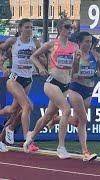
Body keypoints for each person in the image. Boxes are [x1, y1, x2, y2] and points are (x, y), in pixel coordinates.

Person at [23, 18, 79, 159]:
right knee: (66, 110)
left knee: (48, 116)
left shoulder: (74, 46)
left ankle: (30, 138)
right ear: (60, 29)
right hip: (52, 83)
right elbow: (33, 57)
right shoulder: (51, 44)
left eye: (71, 27)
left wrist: (77, 61)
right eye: (67, 27)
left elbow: (75, 70)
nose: (69, 29)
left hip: (65, 85)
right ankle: (61, 147)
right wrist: (41, 68)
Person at [46, 32, 100, 161]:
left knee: (78, 121)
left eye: (90, 42)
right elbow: (68, 72)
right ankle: (85, 152)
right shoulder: (74, 55)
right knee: (84, 120)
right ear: (80, 43)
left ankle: (57, 119)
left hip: (89, 90)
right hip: (75, 89)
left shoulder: (96, 55)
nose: (88, 44)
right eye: (86, 42)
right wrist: (76, 74)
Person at [0, 18, 42, 147]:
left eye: (31, 27)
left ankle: (9, 129)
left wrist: (41, 65)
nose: (29, 30)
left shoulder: (35, 42)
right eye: (27, 27)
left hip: (28, 79)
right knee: (27, 106)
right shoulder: (14, 41)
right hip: (14, 79)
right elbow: (1, 49)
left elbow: (41, 57)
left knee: (14, 109)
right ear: (20, 29)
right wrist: (3, 67)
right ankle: (27, 140)